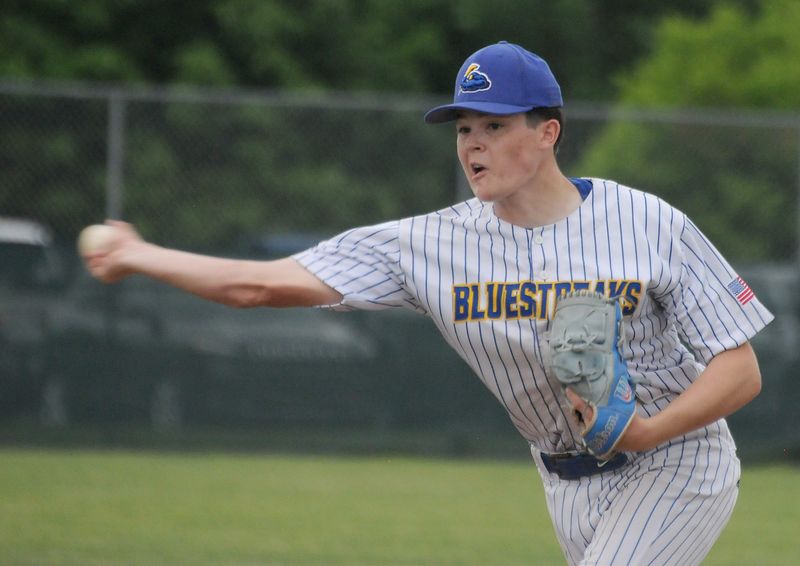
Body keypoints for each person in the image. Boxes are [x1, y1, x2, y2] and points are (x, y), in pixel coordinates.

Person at [84, 41, 773, 565]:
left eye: (494, 126)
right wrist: (140, 254)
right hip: (564, 478)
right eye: (463, 128)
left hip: (676, 461)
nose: (473, 143)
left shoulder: (646, 222)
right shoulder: (426, 245)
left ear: (547, 133)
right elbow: (258, 285)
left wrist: (650, 431)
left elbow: (740, 369)